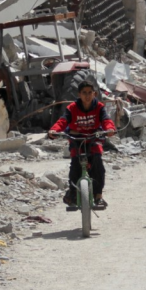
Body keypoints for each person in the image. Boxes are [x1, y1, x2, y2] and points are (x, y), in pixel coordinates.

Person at [48, 81, 117, 210]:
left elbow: (106, 120)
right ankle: (73, 193)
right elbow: (63, 121)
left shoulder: (99, 107)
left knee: (97, 163)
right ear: (79, 94)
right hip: (77, 139)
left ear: (94, 94)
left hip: (94, 138)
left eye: (90, 93)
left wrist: (110, 129)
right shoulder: (72, 108)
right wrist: (54, 130)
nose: (87, 96)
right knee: (75, 165)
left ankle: (98, 196)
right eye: (84, 93)